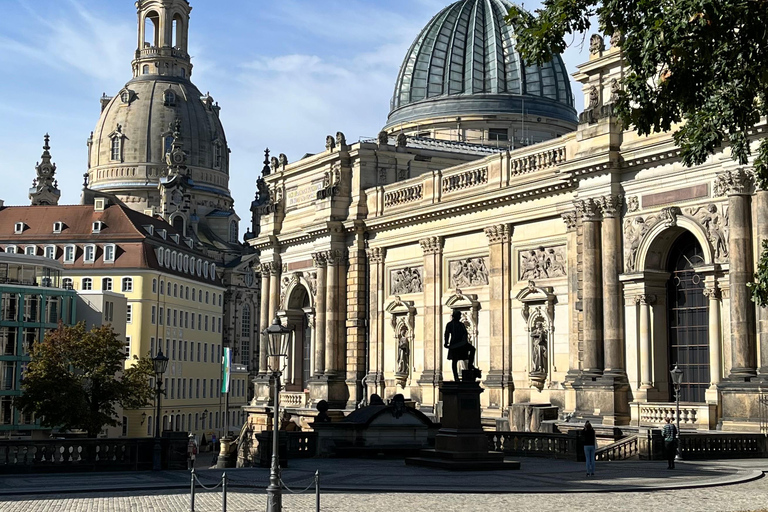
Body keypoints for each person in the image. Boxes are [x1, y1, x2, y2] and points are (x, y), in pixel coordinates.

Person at [443, 309, 477, 381]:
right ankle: (456, 377)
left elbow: (465, 333)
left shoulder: (461, 324)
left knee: (472, 349)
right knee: (454, 360)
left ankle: (470, 365)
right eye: (458, 316)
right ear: (454, 316)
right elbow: (446, 334)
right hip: (455, 344)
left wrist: (464, 342)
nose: (459, 317)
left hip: (461, 344)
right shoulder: (450, 324)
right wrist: (446, 342)